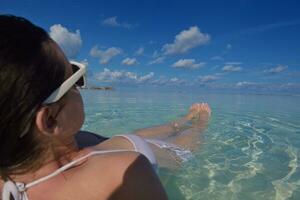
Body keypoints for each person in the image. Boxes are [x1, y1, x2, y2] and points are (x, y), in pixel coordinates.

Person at [0, 15, 211, 200]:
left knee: (148, 132)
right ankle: (198, 122)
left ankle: (181, 121)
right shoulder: (127, 174)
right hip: (137, 150)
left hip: (93, 144)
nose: (81, 86)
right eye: (75, 80)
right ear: (50, 119)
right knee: (182, 149)